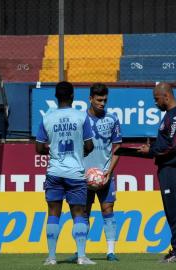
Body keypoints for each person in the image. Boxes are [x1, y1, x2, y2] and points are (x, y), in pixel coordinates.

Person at [35, 81, 95, 265]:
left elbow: (39, 148)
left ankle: (52, 257)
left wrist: (53, 151)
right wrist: (79, 151)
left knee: (53, 212)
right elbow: (89, 145)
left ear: (56, 97)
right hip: (75, 172)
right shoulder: (81, 117)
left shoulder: (47, 118)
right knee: (79, 212)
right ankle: (82, 256)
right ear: (72, 96)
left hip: (54, 171)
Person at [138, 82, 176, 263]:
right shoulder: (170, 116)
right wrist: (151, 148)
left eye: (156, 99)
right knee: (171, 211)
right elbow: (166, 143)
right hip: (167, 168)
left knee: (175, 211)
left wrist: (150, 151)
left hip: (174, 169)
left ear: (166, 96)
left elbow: (172, 145)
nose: (155, 103)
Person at [78, 83, 122, 262]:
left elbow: (117, 147)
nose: (102, 103)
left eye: (105, 100)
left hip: (104, 173)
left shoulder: (112, 119)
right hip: (83, 175)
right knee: (83, 212)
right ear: (90, 99)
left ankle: (111, 251)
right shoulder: (80, 120)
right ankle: (81, 252)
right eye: (99, 100)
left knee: (108, 209)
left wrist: (109, 172)